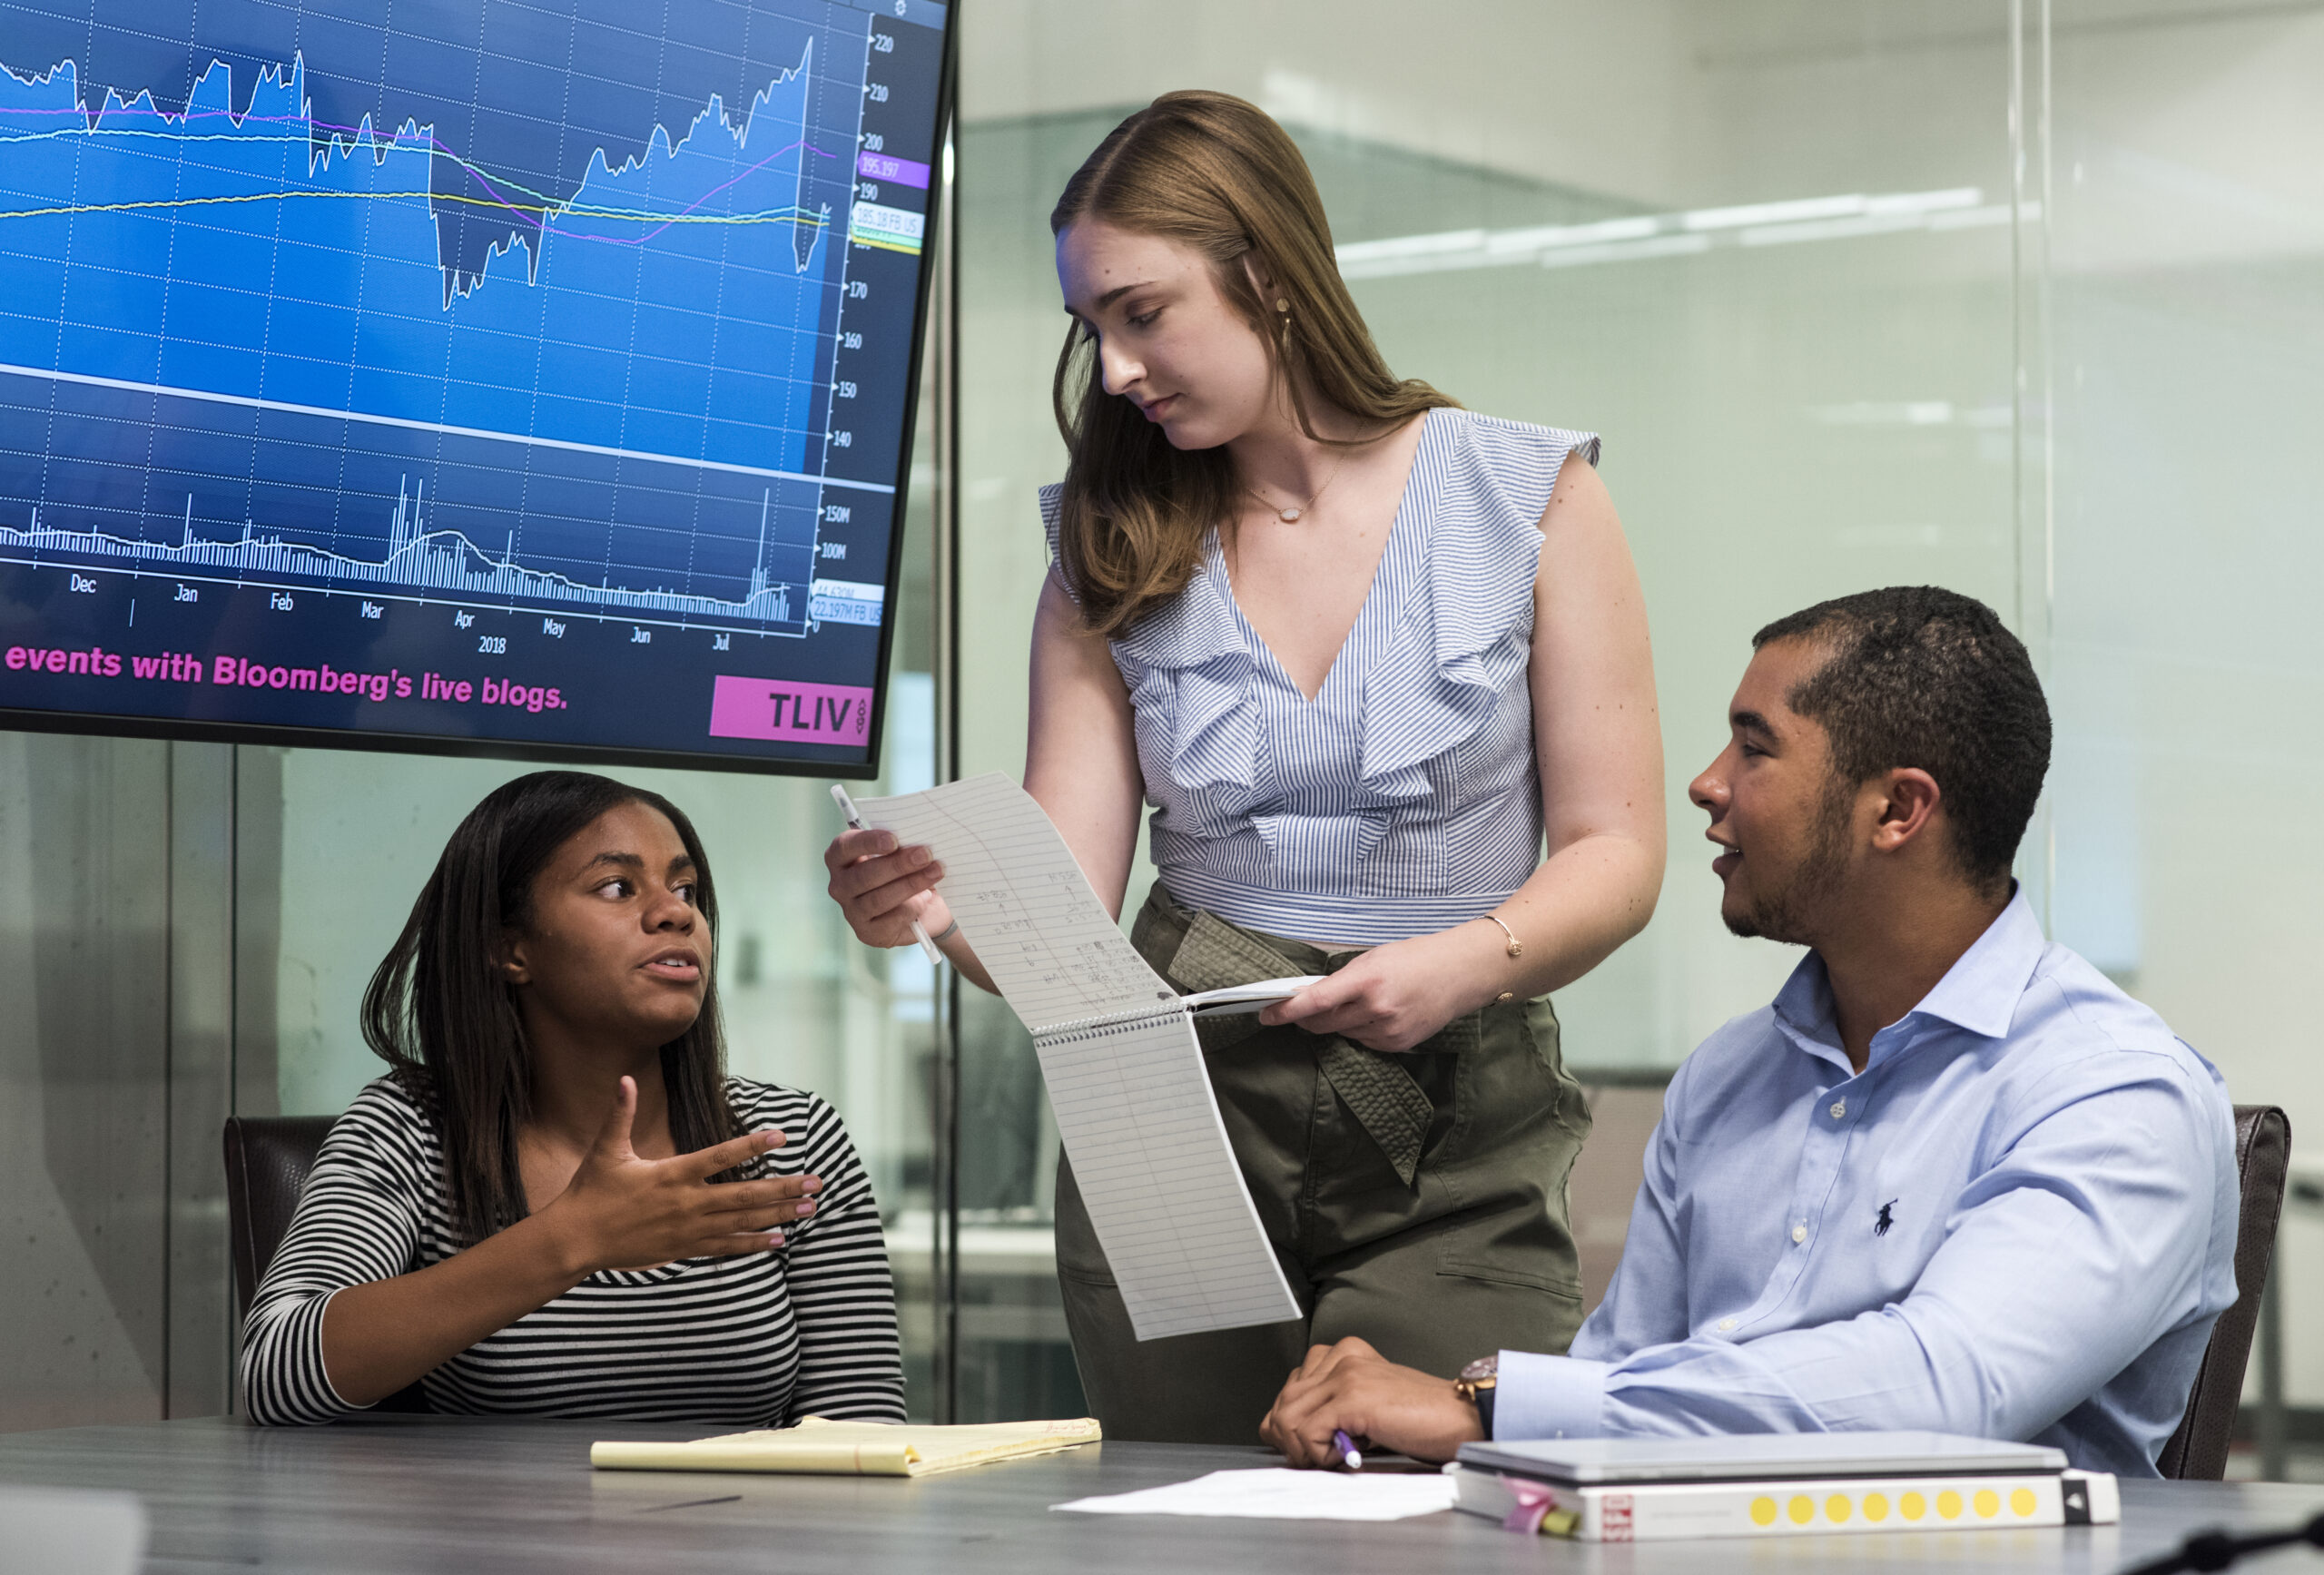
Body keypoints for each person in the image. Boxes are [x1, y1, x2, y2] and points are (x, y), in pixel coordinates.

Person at [824, 90, 1665, 1442]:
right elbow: (1067, 908)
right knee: (1174, 1521)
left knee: (1433, 1507)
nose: (1112, 371)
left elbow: (1620, 853)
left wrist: (1466, 958)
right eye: (1090, 328)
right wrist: (931, 909)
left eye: (1142, 313)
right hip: (1170, 1120)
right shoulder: (1108, 545)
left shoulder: (1532, 497)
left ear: (1268, 276)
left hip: (1453, 1114)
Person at [1259, 586, 2239, 1478]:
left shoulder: (2116, 1092)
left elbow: (1945, 1390)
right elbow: (1618, 1387)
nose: (1704, 783)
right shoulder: (1727, 1077)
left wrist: (1489, 1408)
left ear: (1897, 809)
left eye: (1754, 747)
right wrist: (1441, 1434)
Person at [242, 771, 904, 1425]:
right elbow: (274, 1372)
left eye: (686, 889)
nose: (677, 912)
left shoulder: (792, 1134)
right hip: (499, 1533)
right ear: (510, 947)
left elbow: (863, 1422)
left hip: (748, 1530)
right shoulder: (414, 1128)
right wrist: (576, 1237)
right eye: (617, 886)